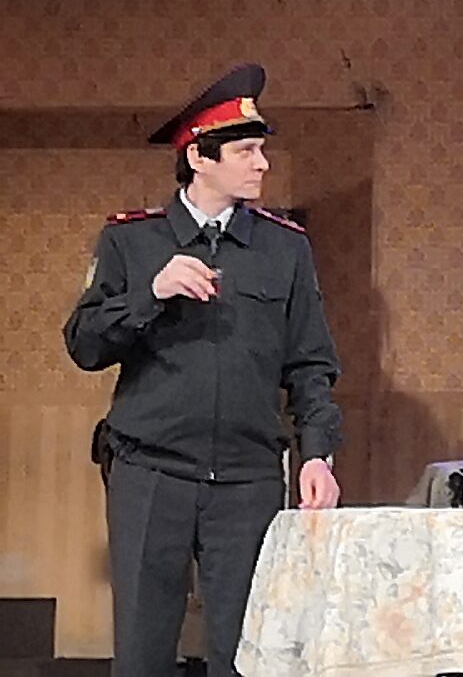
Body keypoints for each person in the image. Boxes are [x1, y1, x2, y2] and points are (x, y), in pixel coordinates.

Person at [63, 63, 343, 677]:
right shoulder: (131, 241)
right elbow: (84, 345)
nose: (262, 164)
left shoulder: (285, 247)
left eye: (262, 149)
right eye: (246, 151)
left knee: (247, 656)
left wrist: (319, 454)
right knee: (141, 655)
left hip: (248, 481)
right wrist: (151, 294)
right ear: (198, 157)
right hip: (149, 473)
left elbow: (311, 363)